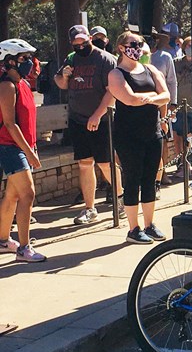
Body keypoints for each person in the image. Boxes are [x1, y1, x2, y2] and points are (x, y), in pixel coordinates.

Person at [54, 25, 124, 225]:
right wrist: (64, 76)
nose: (80, 46)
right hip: (77, 119)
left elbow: (112, 92)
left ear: (90, 39)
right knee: (84, 164)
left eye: (83, 42)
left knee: (105, 163)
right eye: (76, 44)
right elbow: (60, 83)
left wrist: (97, 115)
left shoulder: (105, 59)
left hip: (100, 120)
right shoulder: (71, 59)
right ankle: (89, 208)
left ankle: (121, 198)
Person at [108, 31, 170, 244]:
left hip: (152, 133)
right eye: (132, 43)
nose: (137, 47)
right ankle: (133, 228)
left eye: (140, 43)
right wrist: (152, 97)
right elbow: (129, 99)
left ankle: (149, 224)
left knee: (150, 179)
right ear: (121, 48)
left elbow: (166, 96)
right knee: (132, 179)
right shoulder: (116, 74)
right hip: (128, 136)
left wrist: (147, 98)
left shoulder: (152, 70)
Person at [0, 38, 46, 262]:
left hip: (21, 146)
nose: (29, 62)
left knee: (13, 195)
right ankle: (24, 248)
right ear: (8, 62)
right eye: (23, 58)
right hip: (10, 148)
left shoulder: (24, 85)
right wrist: (29, 152)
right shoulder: (6, 86)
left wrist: (31, 145)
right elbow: (10, 124)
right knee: (28, 194)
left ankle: (3, 240)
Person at [150, 26, 178, 193]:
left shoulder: (165, 57)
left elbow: (172, 81)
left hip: (162, 105)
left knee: (163, 141)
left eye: (153, 37)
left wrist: (173, 104)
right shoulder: (136, 58)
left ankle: (163, 173)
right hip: (142, 107)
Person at [172, 36, 192, 179]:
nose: (189, 48)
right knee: (178, 136)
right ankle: (182, 164)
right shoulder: (175, 63)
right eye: (187, 45)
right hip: (179, 107)